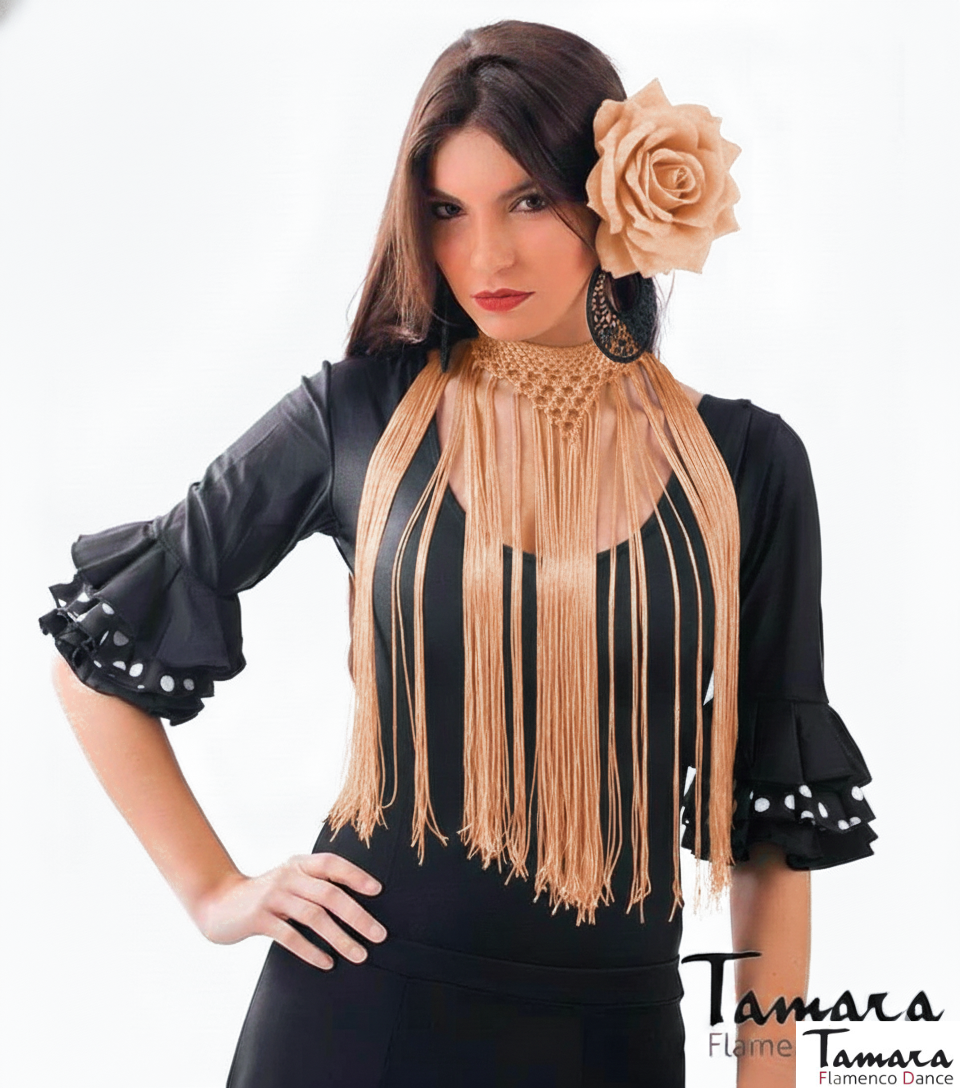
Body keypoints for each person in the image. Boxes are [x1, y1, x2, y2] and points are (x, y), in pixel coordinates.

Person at [39, 19, 877, 1088]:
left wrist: (768, 1076)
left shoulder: (749, 462)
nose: (486, 256)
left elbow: (773, 824)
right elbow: (94, 660)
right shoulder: (354, 417)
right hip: (356, 1011)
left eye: (527, 201)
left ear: (611, 196)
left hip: (615, 1034)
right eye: (447, 211)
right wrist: (216, 893)